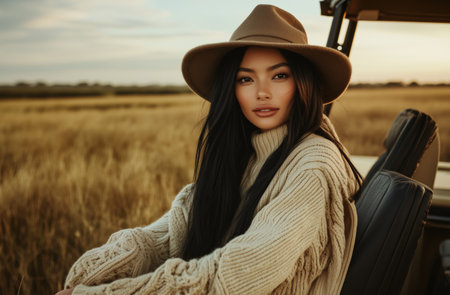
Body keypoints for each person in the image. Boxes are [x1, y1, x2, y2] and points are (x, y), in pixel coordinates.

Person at [56, 4, 361, 295]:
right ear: (232, 89)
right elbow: (169, 233)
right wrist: (95, 271)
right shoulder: (245, 155)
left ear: (303, 83)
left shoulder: (313, 165)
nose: (262, 92)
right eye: (246, 79)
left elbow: (235, 275)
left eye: (279, 75)